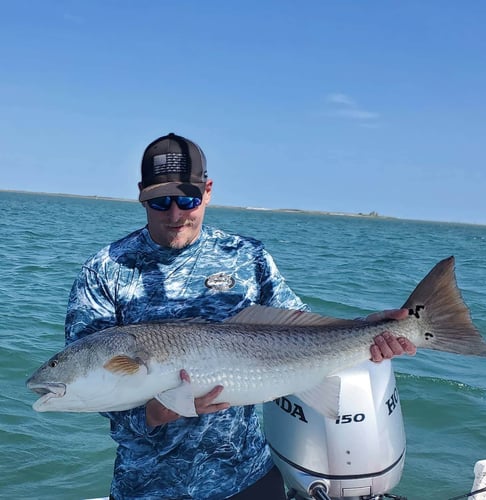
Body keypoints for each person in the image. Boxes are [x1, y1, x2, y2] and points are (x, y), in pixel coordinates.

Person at [64, 133, 416, 500]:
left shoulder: (246, 255)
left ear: (208, 190)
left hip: (246, 474)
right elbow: (92, 386)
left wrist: (367, 329)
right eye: (159, 201)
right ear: (141, 195)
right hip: (149, 486)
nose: (174, 214)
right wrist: (156, 413)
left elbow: (302, 328)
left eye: (187, 199)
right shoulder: (104, 271)